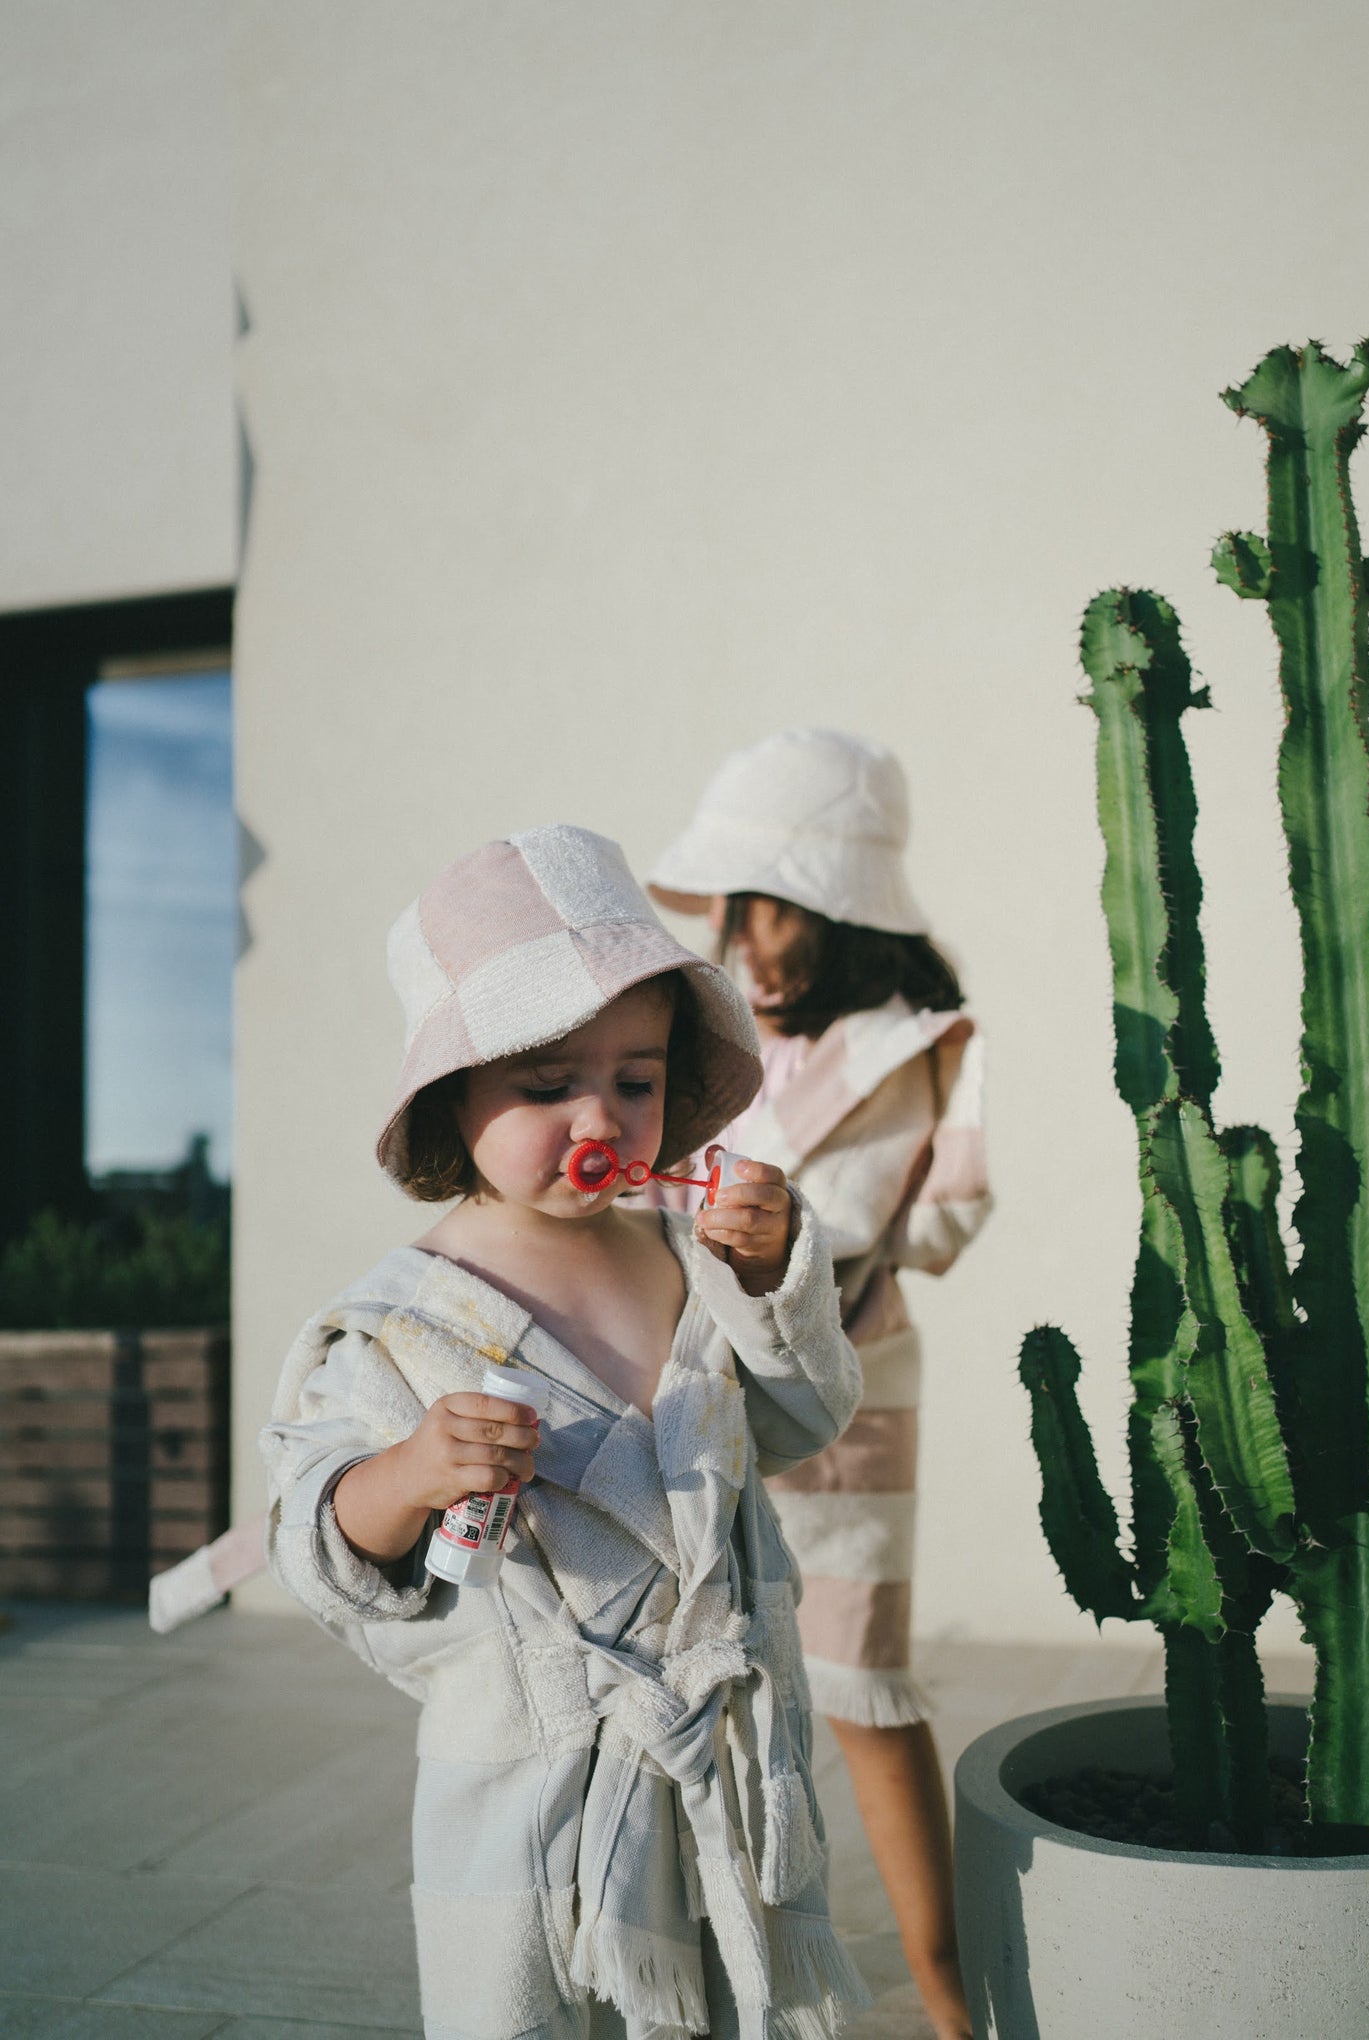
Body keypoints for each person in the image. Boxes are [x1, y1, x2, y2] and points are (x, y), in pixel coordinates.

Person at [261, 824, 869, 2040]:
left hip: (726, 1772)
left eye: (636, 1080)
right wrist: (406, 1473)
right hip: (538, 1786)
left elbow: (799, 1420)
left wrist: (765, 1280)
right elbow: (315, 1533)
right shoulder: (399, 1320)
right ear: (451, 1100)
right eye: (545, 1085)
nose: (601, 1112)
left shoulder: (675, 1254)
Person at [648, 730, 992, 2040]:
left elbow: (870, 1222)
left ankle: (953, 1996)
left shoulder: (910, 1049)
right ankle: (727, 1978)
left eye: (778, 902)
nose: (751, 934)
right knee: (707, 1684)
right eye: (741, 904)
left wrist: (756, 1228)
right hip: (687, 1394)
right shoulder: (713, 1033)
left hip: (838, 1393)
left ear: (847, 916)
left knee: (857, 1684)